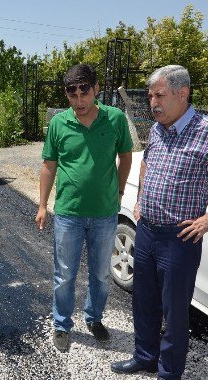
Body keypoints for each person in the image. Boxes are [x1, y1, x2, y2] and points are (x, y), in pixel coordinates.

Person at [110, 65, 208, 380]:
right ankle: (144, 357)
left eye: (159, 95)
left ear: (182, 93)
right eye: (150, 95)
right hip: (147, 229)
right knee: (143, 299)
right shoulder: (160, 128)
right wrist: (139, 200)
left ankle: (169, 373)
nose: (152, 102)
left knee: (174, 308)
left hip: (179, 239)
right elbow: (148, 160)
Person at [35, 63, 133, 352]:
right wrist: (42, 205)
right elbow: (48, 166)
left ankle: (94, 318)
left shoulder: (115, 119)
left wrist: (119, 190)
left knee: (101, 274)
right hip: (68, 214)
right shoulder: (58, 123)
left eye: (84, 91)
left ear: (96, 89)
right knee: (64, 274)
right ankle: (62, 324)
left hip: (104, 214)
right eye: (72, 93)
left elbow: (125, 158)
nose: (78, 99)